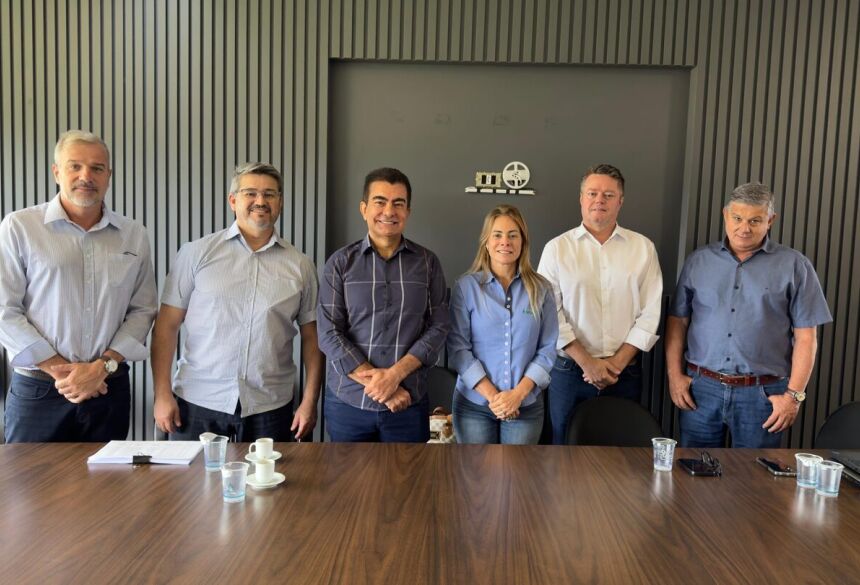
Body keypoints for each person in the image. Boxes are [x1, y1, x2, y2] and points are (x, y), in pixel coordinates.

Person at [0, 130, 157, 443]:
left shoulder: (133, 234)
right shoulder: (20, 227)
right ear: (57, 172)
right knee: (29, 491)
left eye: (97, 168)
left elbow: (142, 310)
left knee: (108, 490)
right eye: (75, 166)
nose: (86, 176)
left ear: (109, 176)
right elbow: (5, 310)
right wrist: (65, 373)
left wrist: (101, 367)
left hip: (108, 387)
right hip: (38, 390)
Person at [150, 162, 323, 442]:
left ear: (280, 202)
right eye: (250, 193)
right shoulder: (195, 254)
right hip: (197, 403)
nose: (260, 201)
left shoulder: (300, 266)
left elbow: (313, 340)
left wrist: (309, 401)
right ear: (233, 200)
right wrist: (161, 393)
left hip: (271, 408)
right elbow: (165, 327)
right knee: (188, 488)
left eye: (270, 194)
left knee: (269, 486)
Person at [665, 182, 832, 448]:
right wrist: (675, 376)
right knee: (692, 476)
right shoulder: (698, 261)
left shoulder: (795, 266)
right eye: (738, 218)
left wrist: (793, 396)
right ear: (725, 215)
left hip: (763, 395)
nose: (744, 228)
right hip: (701, 390)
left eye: (755, 220)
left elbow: (806, 338)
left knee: (756, 482)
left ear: (771, 220)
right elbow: (677, 323)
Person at [317, 167, 450, 442]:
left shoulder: (427, 263)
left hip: (408, 403)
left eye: (398, 203)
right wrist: (384, 386)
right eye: (380, 202)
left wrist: (395, 376)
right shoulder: (340, 264)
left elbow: (439, 327)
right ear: (364, 208)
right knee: (348, 485)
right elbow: (329, 333)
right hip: (348, 404)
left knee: (406, 485)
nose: (389, 211)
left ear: (408, 211)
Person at [538, 163, 663, 444]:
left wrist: (616, 363)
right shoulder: (556, 249)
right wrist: (587, 363)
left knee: (622, 462)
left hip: (625, 373)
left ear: (620, 201)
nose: (599, 200)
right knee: (564, 456)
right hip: (570, 373)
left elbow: (651, 312)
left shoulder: (643, 248)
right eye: (593, 193)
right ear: (581, 199)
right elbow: (550, 314)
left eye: (608, 195)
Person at [448, 205, 558, 444]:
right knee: (476, 480)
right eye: (497, 235)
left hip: (525, 406)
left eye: (513, 235)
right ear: (486, 242)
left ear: (523, 242)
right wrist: (495, 398)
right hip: (473, 406)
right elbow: (458, 349)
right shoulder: (466, 288)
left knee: (516, 478)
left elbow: (548, 349)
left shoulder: (542, 290)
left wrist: (517, 396)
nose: (504, 242)